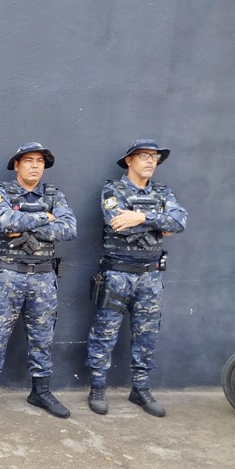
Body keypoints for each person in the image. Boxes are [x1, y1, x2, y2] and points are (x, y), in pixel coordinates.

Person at [0, 142, 77, 418]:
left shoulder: (54, 194)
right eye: (28, 160)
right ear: (16, 165)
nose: (35, 165)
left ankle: (40, 391)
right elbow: (5, 221)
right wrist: (45, 218)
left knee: (43, 337)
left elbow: (69, 228)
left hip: (43, 276)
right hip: (8, 275)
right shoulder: (2, 192)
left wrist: (26, 224)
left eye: (39, 161)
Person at [85, 139, 187, 417]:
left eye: (154, 156)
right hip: (118, 274)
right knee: (104, 333)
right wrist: (158, 221)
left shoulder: (163, 191)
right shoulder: (113, 190)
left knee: (147, 335)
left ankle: (140, 389)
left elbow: (179, 221)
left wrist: (140, 217)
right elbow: (117, 223)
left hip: (151, 276)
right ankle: (97, 388)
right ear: (129, 161)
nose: (151, 160)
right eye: (144, 155)